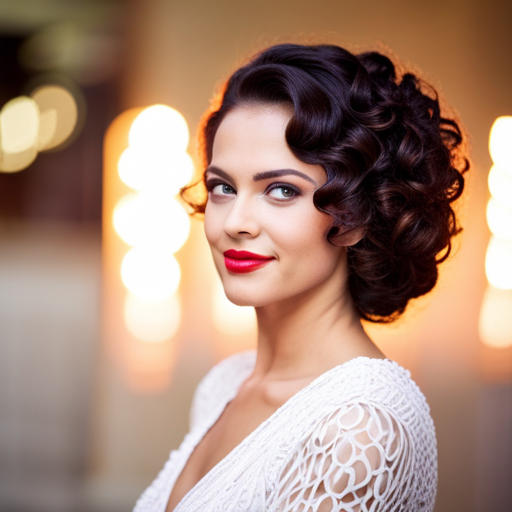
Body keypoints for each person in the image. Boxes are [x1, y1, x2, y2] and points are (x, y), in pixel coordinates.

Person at [134, 43, 468, 512]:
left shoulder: (361, 427)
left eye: (281, 190)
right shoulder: (223, 386)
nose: (235, 222)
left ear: (352, 215)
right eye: (223, 187)